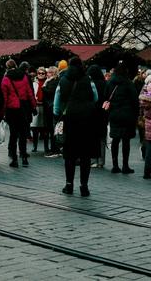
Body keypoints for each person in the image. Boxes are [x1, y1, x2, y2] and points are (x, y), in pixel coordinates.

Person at [53, 56, 99, 196]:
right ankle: (84, 186)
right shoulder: (88, 80)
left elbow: (57, 101)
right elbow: (95, 97)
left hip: (70, 119)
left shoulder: (63, 80)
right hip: (86, 120)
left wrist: (58, 115)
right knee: (85, 156)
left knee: (70, 155)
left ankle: (69, 185)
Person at [1, 59, 36, 168]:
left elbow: (4, 98)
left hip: (12, 110)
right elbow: (29, 92)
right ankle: (24, 157)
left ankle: (14, 159)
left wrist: (2, 112)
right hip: (23, 108)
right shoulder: (24, 77)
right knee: (23, 133)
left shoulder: (6, 79)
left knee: (13, 134)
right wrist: (33, 106)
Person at [106, 63, 139, 174]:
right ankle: (125, 165)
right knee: (126, 141)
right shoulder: (128, 83)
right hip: (127, 115)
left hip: (114, 114)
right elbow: (135, 100)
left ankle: (115, 165)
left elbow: (106, 97)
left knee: (115, 140)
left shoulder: (110, 83)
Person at [87, 64, 108, 168]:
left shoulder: (90, 84)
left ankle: (94, 159)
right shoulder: (105, 83)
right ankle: (101, 160)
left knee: (93, 137)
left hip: (93, 112)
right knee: (102, 138)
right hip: (103, 112)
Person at [42, 66, 61, 157]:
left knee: (52, 129)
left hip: (51, 108)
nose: (47, 74)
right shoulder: (54, 81)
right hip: (51, 107)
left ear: (53, 73)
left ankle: (55, 150)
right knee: (52, 129)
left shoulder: (53, 82)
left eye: (49, 72)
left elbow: (49, 92)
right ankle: (55, 149)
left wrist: (44, 87)